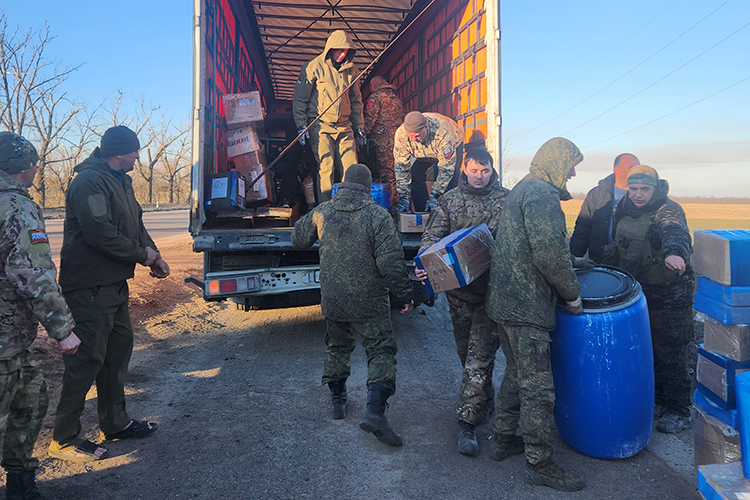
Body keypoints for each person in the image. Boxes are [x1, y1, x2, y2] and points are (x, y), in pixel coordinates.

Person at [49, 126, 170, 461]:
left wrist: (154, 255)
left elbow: (136, 225)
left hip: (114, 283)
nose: (137, 157)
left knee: (117, 354)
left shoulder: (122, 180)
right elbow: (100, 234)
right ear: (120, 151)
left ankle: (115, 423)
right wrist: (140, 254)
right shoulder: (89, 181)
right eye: (134, 151)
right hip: (89, 287)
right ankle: (64, 438)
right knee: (86, 360)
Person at [485, 137, 587, 492]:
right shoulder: (542, 195)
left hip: (504, 302)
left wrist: (577, 262)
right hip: (526, 306)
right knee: (538, 388)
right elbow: (547, 254)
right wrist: (572, 295)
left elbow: (534, 245)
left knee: (515, 373)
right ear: (557, 162)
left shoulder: (523, 189)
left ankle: (501, 438)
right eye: (571, 164)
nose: (573, 172)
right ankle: (539, 463)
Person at [291, 163, 414, 447]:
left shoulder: (323, 212)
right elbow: (392, 266)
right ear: (368, 188)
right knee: (380, 349)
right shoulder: (378, 216)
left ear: (343, 185)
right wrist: (405, 296)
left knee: (337, 346)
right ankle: (374, 411)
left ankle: (337, 402)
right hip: (370, 301)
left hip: (334, 300)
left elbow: (298, 238)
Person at [0, 132, 80, 499]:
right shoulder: (16, 206)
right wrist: (62, 329)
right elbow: (32, 272)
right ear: (24, 167)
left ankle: (20, 484)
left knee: (31, 399)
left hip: (13, 344)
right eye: (35, 163)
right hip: (5, 339)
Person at [414, 148, 509, 457]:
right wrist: (425, 262)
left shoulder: (506, 201)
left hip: (492, 296)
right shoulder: (449, 201)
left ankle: (466, 425)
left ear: (492, 170)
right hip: (458, 296)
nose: (479, 175)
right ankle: (485, 398)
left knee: (477, 361)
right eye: (473, 169)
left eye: (484, 170)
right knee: (464, 355)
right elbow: (432, 238)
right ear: (464, 169)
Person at [603, 165, 694, 434]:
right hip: (638, 294)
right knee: (646, 349)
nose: (639, 194)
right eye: (634, 189)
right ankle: (658, 400)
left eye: (645, 189)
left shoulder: (668, 209)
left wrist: (674, 253)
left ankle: (679, 409)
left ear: (655, 188)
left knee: (671, 352)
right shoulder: (623, 208)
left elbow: (675, 232)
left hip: (670, 296)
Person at [293, 30, 365, 204]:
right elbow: (300, 99)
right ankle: (325, 210)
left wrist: (359, 126)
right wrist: (301, 126)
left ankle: (350, 207)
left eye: (346, 51)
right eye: (339, 50)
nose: (342, 54)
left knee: (351, 168)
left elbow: (356, 101)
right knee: (326, 167)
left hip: (344, 126)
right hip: (320, 126)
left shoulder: (352, 70)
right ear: (330, 48)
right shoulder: (313, 67)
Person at [569, 153, 640, 263]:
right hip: (600, 262)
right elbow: (582, 230)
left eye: (638, 168)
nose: (636, 171)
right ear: (617, 170)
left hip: (633, 265)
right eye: (631, 167)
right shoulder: (597, 194)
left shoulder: (644, 197)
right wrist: (573, 261)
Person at [393, 111, 464, 213]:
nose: (413, 139)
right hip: (422, 152)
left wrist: (435, 195)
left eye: (417, 136)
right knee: (415, 174)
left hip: (452, 143)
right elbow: (401, 168)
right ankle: (422, 213)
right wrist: (404, 197)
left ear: (426, 127)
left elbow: (446, 169)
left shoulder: (442, 133)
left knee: (452, 181)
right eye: (411, 136)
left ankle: (450, 216)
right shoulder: (401, 135)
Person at [363, 75, 404, 210]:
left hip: (383, 143)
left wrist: (361, 135)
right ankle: (400, 205)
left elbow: (369, 120)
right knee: (396, 175)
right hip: (398, 143)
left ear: (373, 86)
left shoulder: (375, 98)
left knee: (386, 178)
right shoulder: (396, 99)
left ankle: (389, 208)